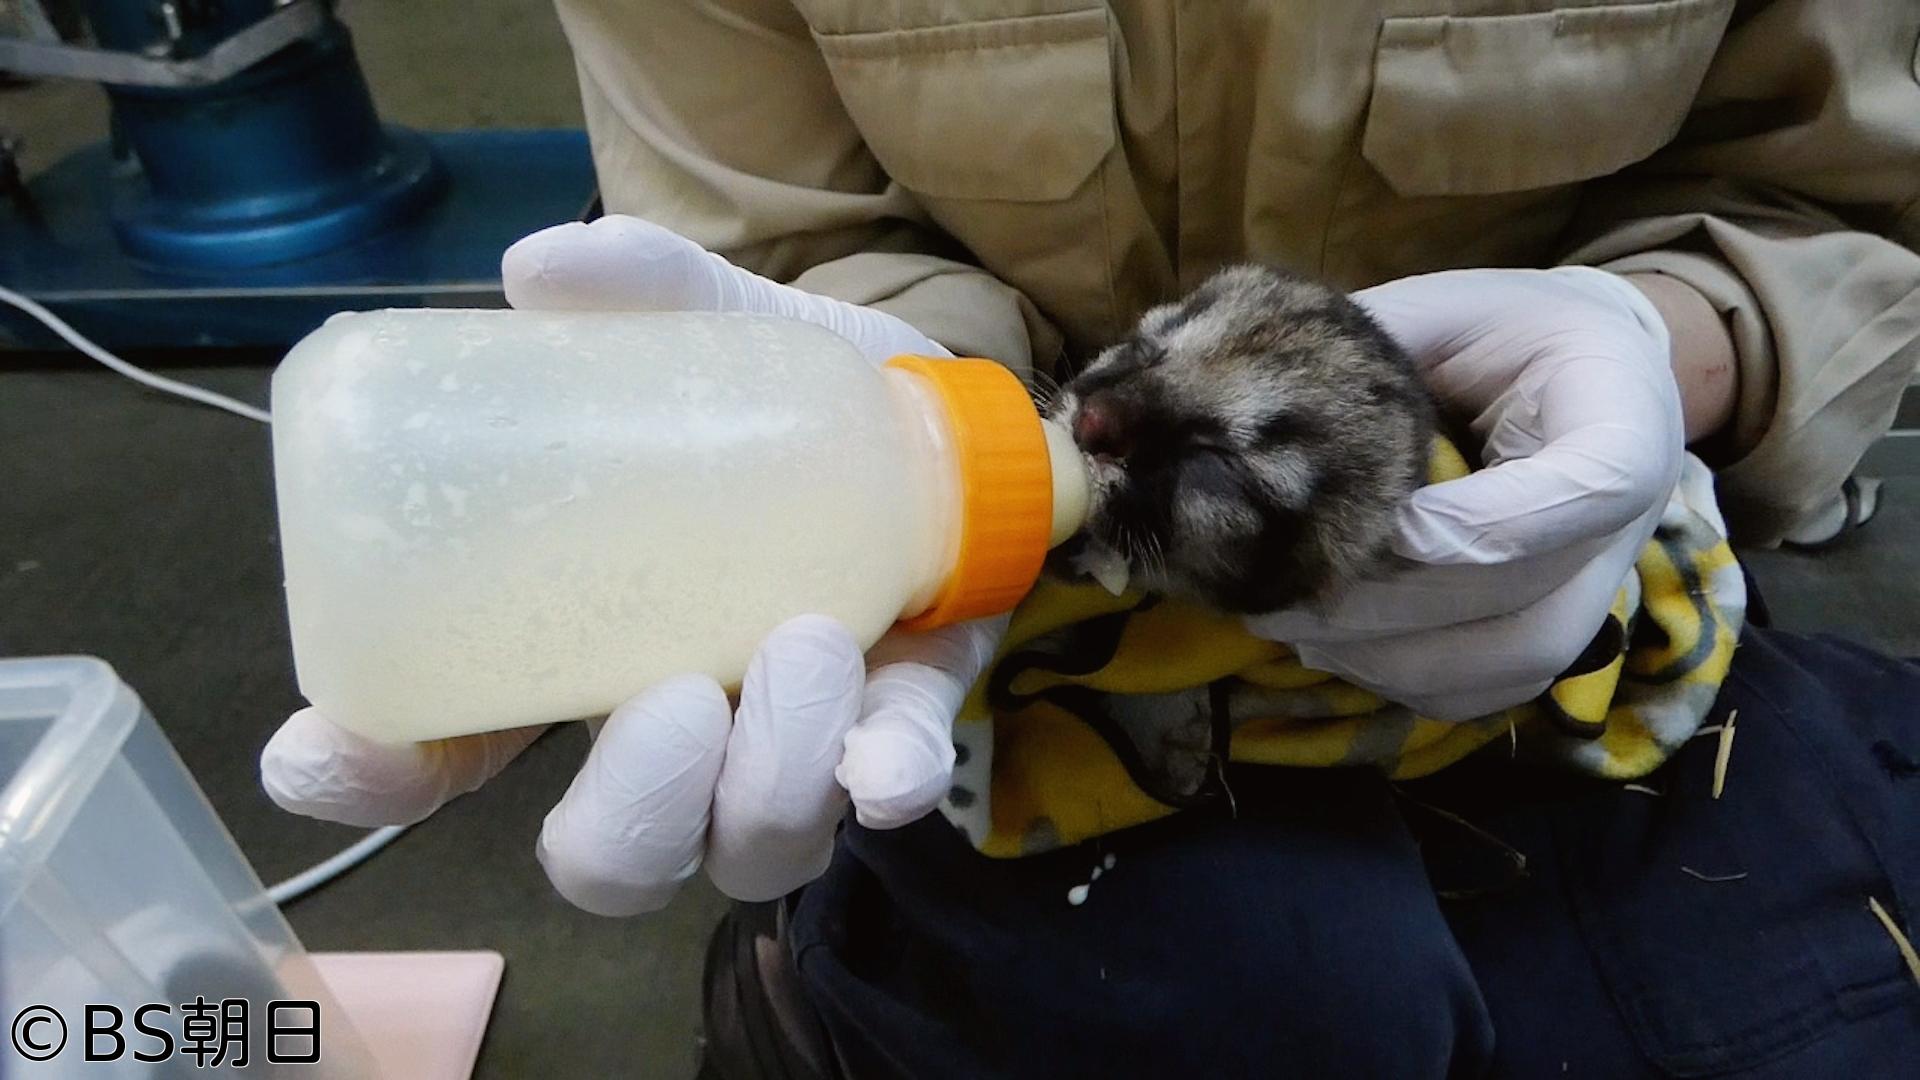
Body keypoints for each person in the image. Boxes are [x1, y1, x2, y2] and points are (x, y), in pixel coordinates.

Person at [263, 2, 1920, 1075]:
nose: (1118, 416)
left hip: (1556, 555)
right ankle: (810, 994)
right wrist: (840, 427)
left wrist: (1670, 339)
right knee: (1257, 1010)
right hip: (978, 615)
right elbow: (775, 229)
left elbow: (1847, 192)